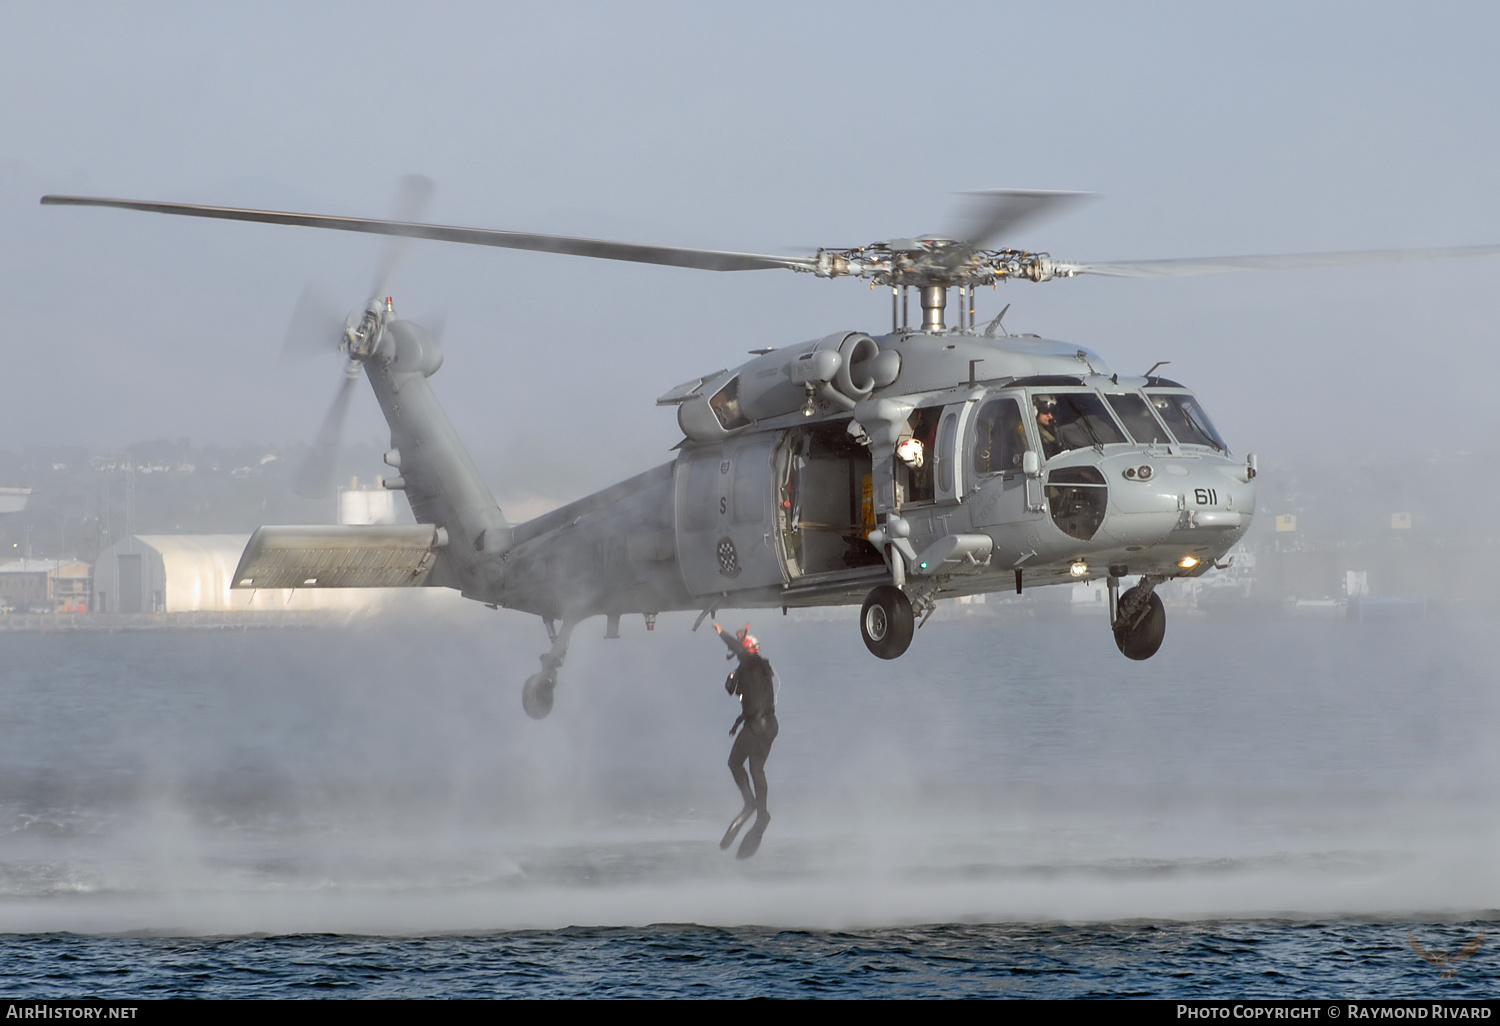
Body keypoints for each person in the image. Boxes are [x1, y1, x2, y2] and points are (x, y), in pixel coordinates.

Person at [713, 621, 778, 858]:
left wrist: (722, 633)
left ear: (746, 650)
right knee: (756, 768)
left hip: (757, 728)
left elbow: (739, 651)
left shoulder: (750, 663)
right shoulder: (759, 668)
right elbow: (751, 699)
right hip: (770, 726)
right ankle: (762, 812)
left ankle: (751, 804)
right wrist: (737, 723)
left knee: (734, 763)